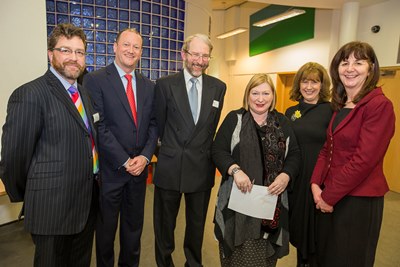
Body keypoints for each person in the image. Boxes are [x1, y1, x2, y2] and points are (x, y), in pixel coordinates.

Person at [0, 23, 98, 266]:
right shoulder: (30, 94)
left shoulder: (84, 94)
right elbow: (13, 159)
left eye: (80, 52)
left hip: (86, 204)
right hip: (51, 208)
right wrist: (34, 194)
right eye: (66, 50)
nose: (74, 58)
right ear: (50, 53)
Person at [310, 41, 396, 267]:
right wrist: (315, 183)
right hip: (330, 196)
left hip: (358, 201)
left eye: (359, 63)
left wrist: (328, 197)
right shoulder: (341, 104)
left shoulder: (379, 105)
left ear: (371, 68)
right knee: (327, 258)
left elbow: (364, 160)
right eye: (344, 62)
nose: (350, 68)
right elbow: (327, 148)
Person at [83, 28, 158, 267]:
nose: (131, 50)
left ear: (141, 52)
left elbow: (154, 125)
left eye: (136, 47)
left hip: (139, 173)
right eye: (126, 45)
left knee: (133, 231)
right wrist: (125, 161)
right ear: (115, 47)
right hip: (110, 173)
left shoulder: (149, 85)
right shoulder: (95, 80)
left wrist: (146, 157)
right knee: (105, 233)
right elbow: (99, 126)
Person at [153, 33, 226, 267]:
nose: (200, 60)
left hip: (201, 168)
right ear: (184, 54)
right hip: (170, 166)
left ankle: (193, 264)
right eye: (195, 54)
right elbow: (159, 125)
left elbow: (211, 128)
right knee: (165, 228)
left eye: (205, 55)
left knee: (196, 228)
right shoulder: (165, 85)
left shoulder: (218, 88)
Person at [212, 73, 300, 267]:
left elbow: (294, 154)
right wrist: (235, 170)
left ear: (273, 96)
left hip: (271, 205)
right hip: (237, 205)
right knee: (237, 257)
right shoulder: (234, 119)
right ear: (247, 95)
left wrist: (286, 175)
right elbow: (218, 150)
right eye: (255, 93)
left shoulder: (283, 122)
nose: (260, 99)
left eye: (266, 93)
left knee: (266, 258)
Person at [284, 62, 332, 267]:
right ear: (299, 84)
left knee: (318, 235)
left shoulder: (331, 110)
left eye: (315, 82)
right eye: (305, 81)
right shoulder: (290, 112)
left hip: (320, 180)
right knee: (299, 231)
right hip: (296, 179)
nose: (309, 86)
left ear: (322, 85)